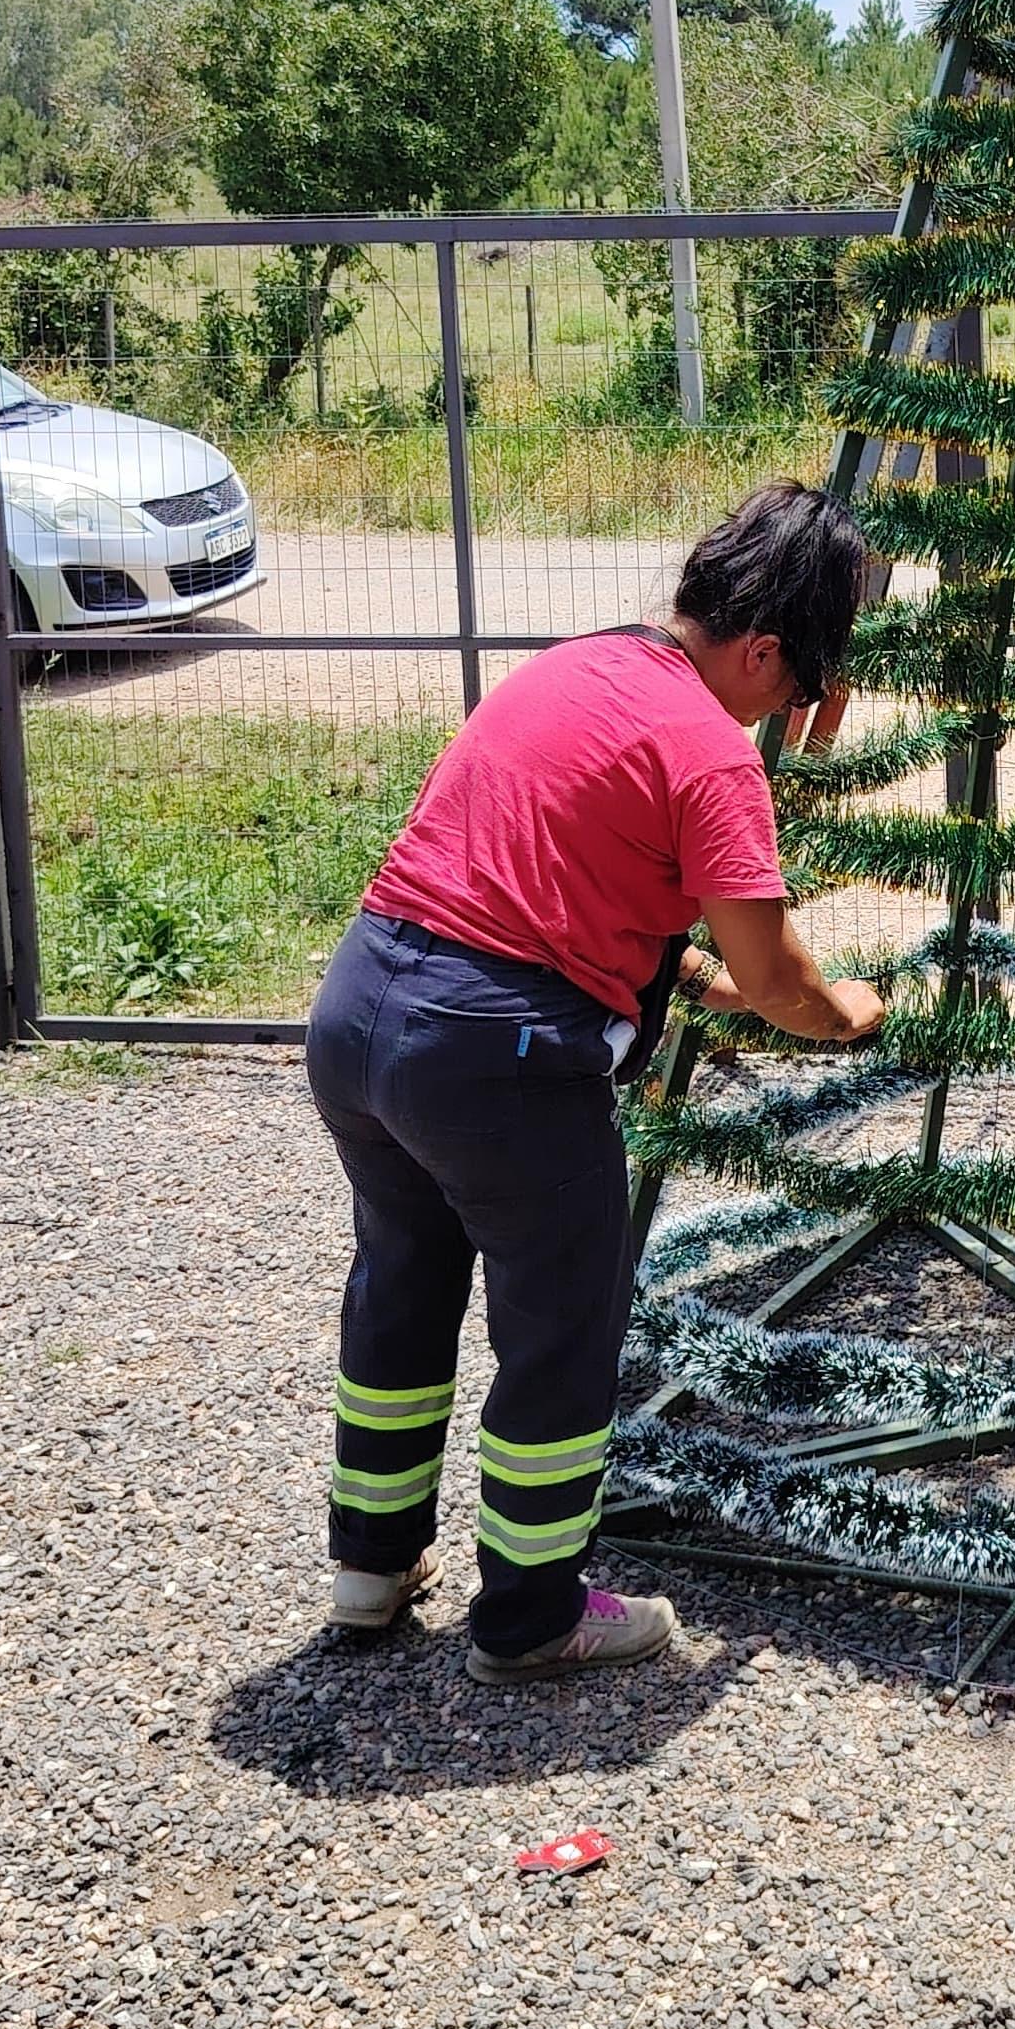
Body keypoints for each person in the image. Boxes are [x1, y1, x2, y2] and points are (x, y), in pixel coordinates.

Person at [304, 481, 883, 1682]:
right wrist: (839, 1013)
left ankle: (370, 1565)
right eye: (799, 682)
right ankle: (532, 1616)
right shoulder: (712, 753)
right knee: (564, 1322)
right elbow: (781, 975)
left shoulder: (576, 669)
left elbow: (550, 871)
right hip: (493, 1057)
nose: (790, 708)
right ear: (763, 648)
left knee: (403, 1279)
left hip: (360, 1011)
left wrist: (701, 983)